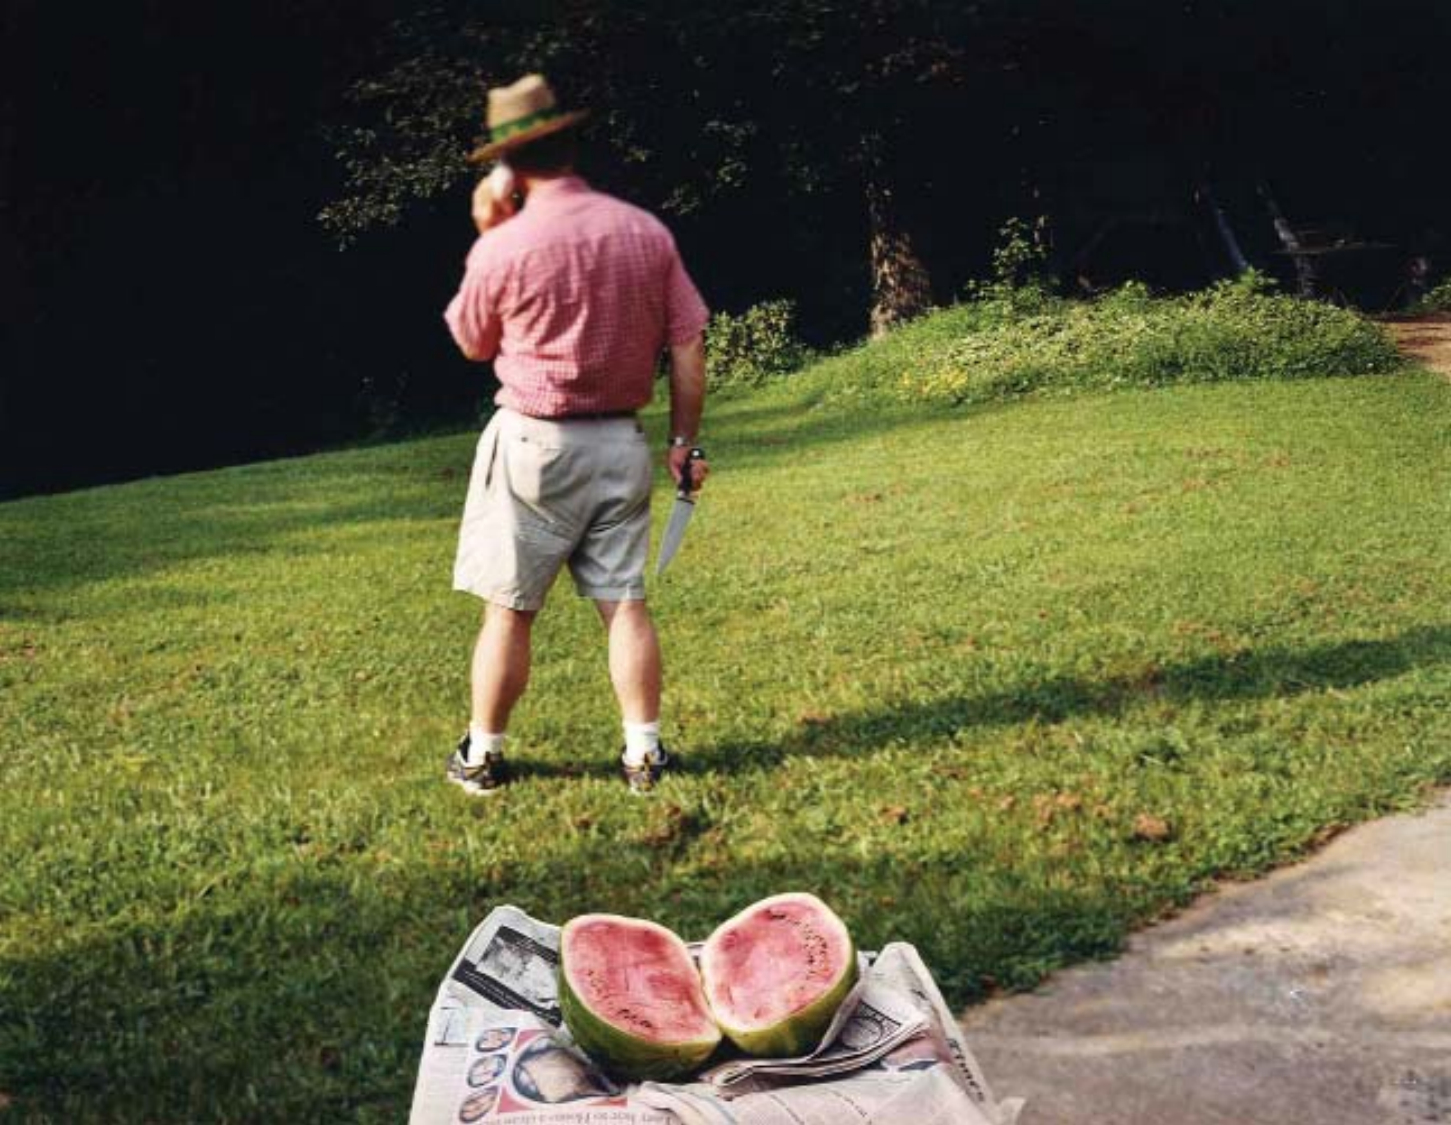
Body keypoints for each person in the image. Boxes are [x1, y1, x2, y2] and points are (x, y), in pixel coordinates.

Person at [442, 74, 711, 797]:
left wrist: (488, 233)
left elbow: (471, 341)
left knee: (509, 608)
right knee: (624, 602)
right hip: (620, 445)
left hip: (533, 444)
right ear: (569, 143)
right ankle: (643, 754)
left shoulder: (505, 244)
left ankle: (483, 755)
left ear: (507, 164)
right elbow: (688, 342)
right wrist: (684, 442)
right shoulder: (643, 231)